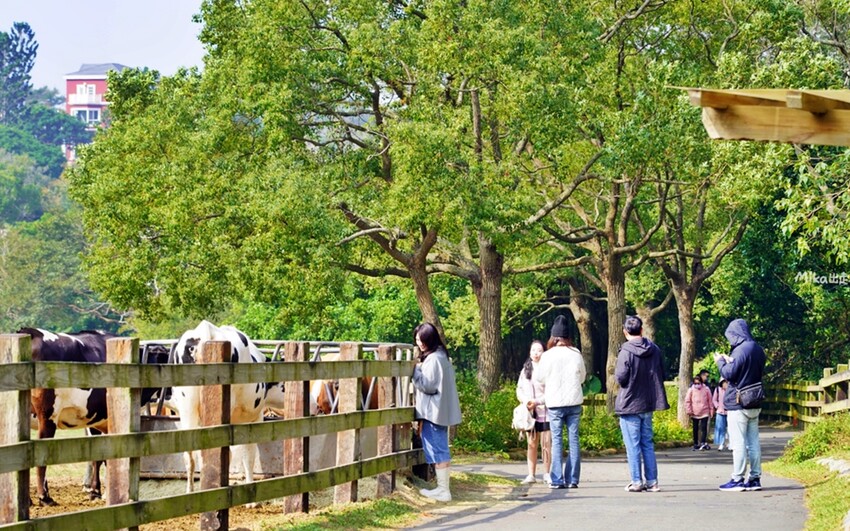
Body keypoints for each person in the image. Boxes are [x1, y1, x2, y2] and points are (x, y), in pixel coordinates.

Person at [615, 315, 670, 493]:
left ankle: (637, 481)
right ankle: (652, 482)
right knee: (647, 443)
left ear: (625, 332)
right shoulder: (654, 349)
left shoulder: (625, 351)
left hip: (630, 403)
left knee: (633, 445)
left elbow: (621, 378)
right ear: (642, 330)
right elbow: (663, 372)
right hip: (648, 403)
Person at [533, 315, 586, 489]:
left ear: (553, 337)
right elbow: (582, 377)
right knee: (574, 439)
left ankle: (556, 479)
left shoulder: (547, 356)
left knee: (556, 440)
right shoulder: (576, 353)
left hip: (555, 403)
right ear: (568, 336)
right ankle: (572, 479)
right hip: (574, 402)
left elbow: (540, 377)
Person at [715, 318, 766, 492]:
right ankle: (755, 478)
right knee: (753, 442)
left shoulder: (740, 350)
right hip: (755, 400)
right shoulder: (758, 349)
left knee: (738, 443)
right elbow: (749, 369)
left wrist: (721, 362)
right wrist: (732, 361)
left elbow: (730, 373)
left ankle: (737, 479)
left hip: (738, 402)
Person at [412, 322, 462, 502]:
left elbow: (428, 385)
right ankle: (442, 488)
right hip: (440, 410)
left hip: (434, 412)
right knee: (440, 447)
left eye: (422, 340)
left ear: (430, 340)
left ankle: (443, 490)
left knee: (438, 449)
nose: (419, 344)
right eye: (417, 340)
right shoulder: (442, 355)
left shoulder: (433, 359)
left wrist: (414, 371)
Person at [516, 340, 552, 484]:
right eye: (533, 350)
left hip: (545, 412)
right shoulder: (525, 370)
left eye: (539, 350)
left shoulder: (548, 369)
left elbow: (550, 391)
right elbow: (519, 389)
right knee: (531, 444)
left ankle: (547, 473)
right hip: (530, 414)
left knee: (546, 444)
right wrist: (526, 401)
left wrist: (537, 402)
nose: (536, 353)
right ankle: (531, 474)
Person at [685, 375, 714, 450]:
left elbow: (710, 401)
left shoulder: (706, 389)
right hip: (694, 412)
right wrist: (689, 411)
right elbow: (687, 401)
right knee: (695, 428)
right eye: (695, 383)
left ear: (701, 382)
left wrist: (711, 411)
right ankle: (695, 442)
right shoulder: (691, 390)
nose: (697, 385)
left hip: (704, 411)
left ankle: (703, 442)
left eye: (698, 383)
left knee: (703, 428)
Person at [713, 378, 730, 450]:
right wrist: (717, 406)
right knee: (721, 428)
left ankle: (730, 443)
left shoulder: (731, 390)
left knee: (730, 429)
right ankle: (721, 443)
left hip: (730, 412)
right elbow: (714, 400)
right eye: (723, 383)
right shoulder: (717, 389)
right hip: (720, 412)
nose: (725, 384)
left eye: (726, 382)